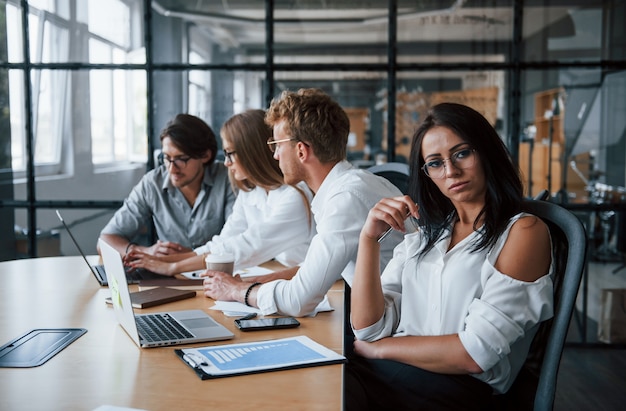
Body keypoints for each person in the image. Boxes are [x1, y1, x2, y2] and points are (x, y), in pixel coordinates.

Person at [344, 102, 554, 410]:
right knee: (328, 378)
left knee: (336, 386)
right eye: (435, 163)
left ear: (486, 153)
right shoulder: (427, 236)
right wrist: (368, 238)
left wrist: (379, 350)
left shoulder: (523, 232)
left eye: (462, 153)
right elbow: (368, 329)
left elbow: (475, 354)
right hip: (400, 376)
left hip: (458, 391)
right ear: (427, 174)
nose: (451, 171)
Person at [202, 88, 405, 317]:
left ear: (301, 151)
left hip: (397, 324)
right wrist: (264, 280)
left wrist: (238, 290)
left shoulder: (345, 199)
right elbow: (324, 268)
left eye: (277, 145)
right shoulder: (358, 185)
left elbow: (298, 301)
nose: (275, 155)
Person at [125, 109, 314, 275]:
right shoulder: (251, 191)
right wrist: (162, 260)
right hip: (282, 274)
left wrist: (172, 268)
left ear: (252, 153)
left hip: (323, 290)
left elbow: (246, 247)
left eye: (231, 153)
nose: (226, 163)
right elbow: (224, 241)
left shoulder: (294, 196)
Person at [99, 114, 235, 259]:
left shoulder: (228, 179)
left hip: (216, 273)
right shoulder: (152, 183)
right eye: (166, 158)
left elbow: (236, 243)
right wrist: (145, 252)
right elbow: (105, 241)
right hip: (167, 276)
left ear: (205, 156)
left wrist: (191, 256)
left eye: (181, 159)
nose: (171, 168)